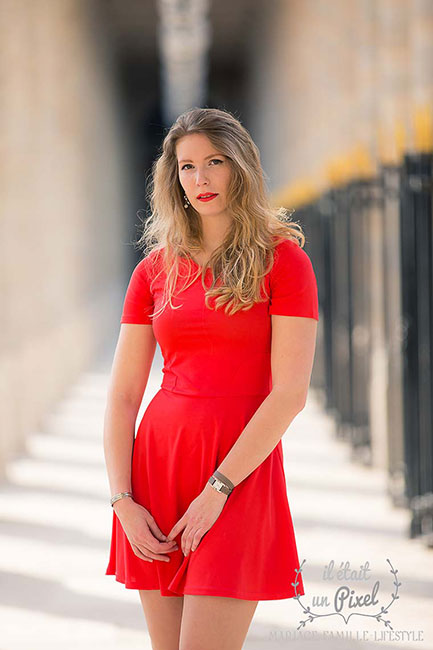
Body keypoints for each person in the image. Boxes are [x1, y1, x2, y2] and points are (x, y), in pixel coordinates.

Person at [104, 106, 319, 650]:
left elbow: (290, 393)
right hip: (158, 470)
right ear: (172, 178)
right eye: (187, 167)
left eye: (215, 162)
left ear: (240, 166)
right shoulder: (153, 271)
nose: (200, 179)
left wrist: (219, 488)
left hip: (239, 476)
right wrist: (122, 501)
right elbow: (124, 395)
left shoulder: (284, 262)